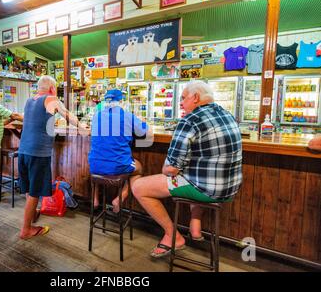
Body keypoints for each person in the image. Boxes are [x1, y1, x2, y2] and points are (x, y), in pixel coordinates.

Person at [132, 81, 243, 258]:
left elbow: (171, 169)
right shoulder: (226, 114)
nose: (181, 103)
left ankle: (173, 235)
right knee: (193, 170)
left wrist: (166, 168)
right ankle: (195, 226)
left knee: (139, 187)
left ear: (196, 98)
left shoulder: (190, 120)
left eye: (183, 98)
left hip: (206, 190)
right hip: (231, 188)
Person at [18, 76, 88, 239]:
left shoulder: (29, 101)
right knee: (35, 191)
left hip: (23, 150)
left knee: (29, 188)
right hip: (38, 152)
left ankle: (32, 214)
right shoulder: (52, 99)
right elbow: (68, 116)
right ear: (51, 88)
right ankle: (26, 229)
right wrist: (82, 126)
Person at [88, 89, 149, 213]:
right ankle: (120, 198)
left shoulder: (96, 115)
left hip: (94, 166)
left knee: (99, 163)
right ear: (121, 101)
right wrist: (142, 121)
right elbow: (144, 131)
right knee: (139, 168)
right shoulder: (127, 116)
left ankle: (94, 199)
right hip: (117, 166)